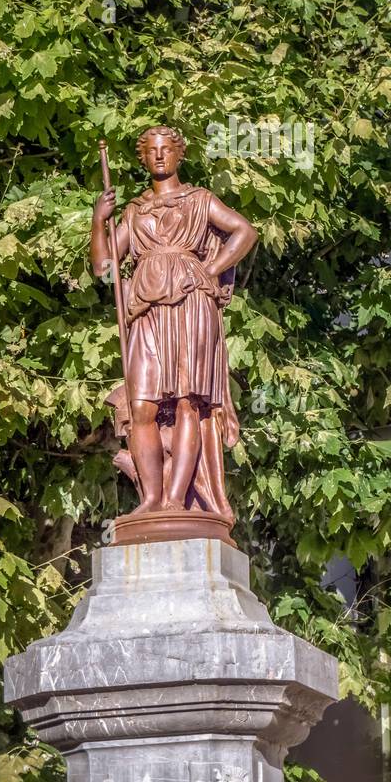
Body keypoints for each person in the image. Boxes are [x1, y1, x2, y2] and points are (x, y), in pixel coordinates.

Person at [91, 125, 257, 524]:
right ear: (143, 158)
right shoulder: (135, 210)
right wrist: (100, 222)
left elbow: (245, 231)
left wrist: (208, 271)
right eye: (152, 151)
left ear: (180, 154)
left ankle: (175, 500)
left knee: (187, 401)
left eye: (167, 149)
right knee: (142, 405)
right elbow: (104, 269)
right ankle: (151, 498)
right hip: (147, 308)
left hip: (190, 304)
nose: (160, 156)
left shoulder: (199, 200)